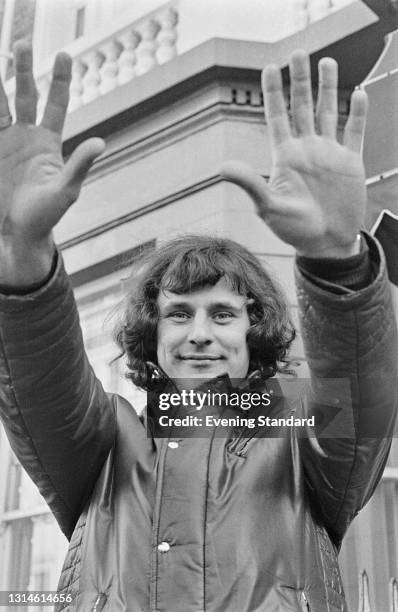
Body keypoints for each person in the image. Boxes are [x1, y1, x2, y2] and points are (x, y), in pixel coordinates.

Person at [0, 41, 396, 612]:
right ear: (152, 335)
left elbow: (364, 385)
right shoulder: (104, 440)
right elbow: (39, 377)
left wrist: (338, 256)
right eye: (179, 313)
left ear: (252, 331)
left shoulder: (300, 425)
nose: (200, 333)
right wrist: (22, 256)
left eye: (223, 314)